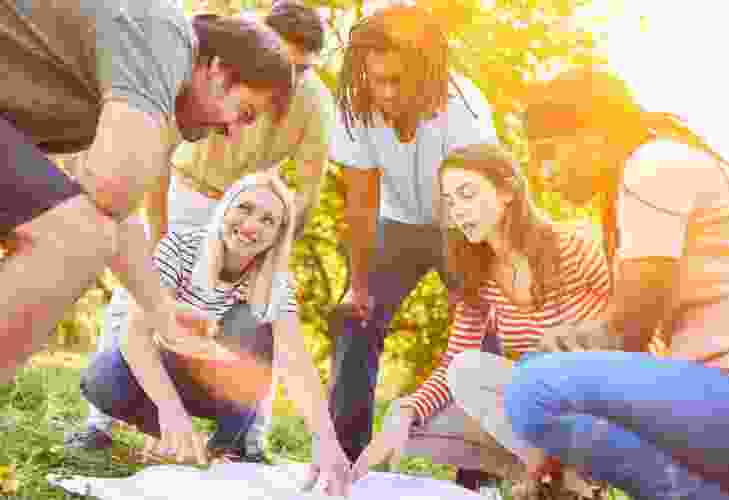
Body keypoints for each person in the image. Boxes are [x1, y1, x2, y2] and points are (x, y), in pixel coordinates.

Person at [1, 0, 294, 469]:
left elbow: (113, 212)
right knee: (74, 236)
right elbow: (113, 192)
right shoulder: (166, 37)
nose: (231, 134)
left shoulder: (113, 94)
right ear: (217, 69)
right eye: (244, 112)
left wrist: (162, 315)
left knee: (79, 229)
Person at [65, 1, 335, 463]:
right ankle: (100, 423)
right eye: (280, 61)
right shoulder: (197, 78)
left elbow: (308, 186)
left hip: (255, 202)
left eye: (300, 69)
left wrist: (275, 249)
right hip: (187, 191)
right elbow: (151, 165)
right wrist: (162, 238)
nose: (287, 77)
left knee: (259, 317)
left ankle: (246, 438)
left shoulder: (313, 103)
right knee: (139, 294)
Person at [494, 67, 729, 499]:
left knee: (533, 386)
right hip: (721, 402)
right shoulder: (651, 171)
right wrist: (558, 451)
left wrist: (555, 347)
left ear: (595, 133)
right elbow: (629, 344)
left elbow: (628, 327)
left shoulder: (653, 167)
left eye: (548, 152)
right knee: (542, 379)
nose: (540, 172)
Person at [303, 5, 500, 486]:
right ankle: (346, 460)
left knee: (485, 338)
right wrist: (361, 287)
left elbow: (477, 205)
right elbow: (361, 202)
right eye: (376, 80)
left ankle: (477, 476)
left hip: (462, 224)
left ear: (427, 74)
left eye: (397, 81)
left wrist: (468, 283)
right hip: (397, 221)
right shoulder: (356, 108)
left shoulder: (463, 112)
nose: (385, 94)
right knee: (356, 318)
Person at [347, 143, 610, 496]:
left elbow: (636, 325)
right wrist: (406, 411)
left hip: (599, 401)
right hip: (549, 414)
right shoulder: (479, 276)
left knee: (473, 371)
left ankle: (561, 474)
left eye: (467, 194)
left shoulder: (572, 245)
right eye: (450, 201)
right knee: (418, 424)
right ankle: (558, 483)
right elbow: (454, 362)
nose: (458, 210)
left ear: (507, 191)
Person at [79, 173, 353, 495]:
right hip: (169, 371)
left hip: (224, 385)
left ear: (279, 235)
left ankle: (227, 446)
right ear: (224, 208)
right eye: (245, 209)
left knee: (249, 320)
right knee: (103, 375)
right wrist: (171, 413)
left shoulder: (277, 284)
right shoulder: (180, 247)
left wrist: (326, 441)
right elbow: (135, 335)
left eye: (268, 220)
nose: (251, 225)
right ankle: (173, 437)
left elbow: (296, 365)